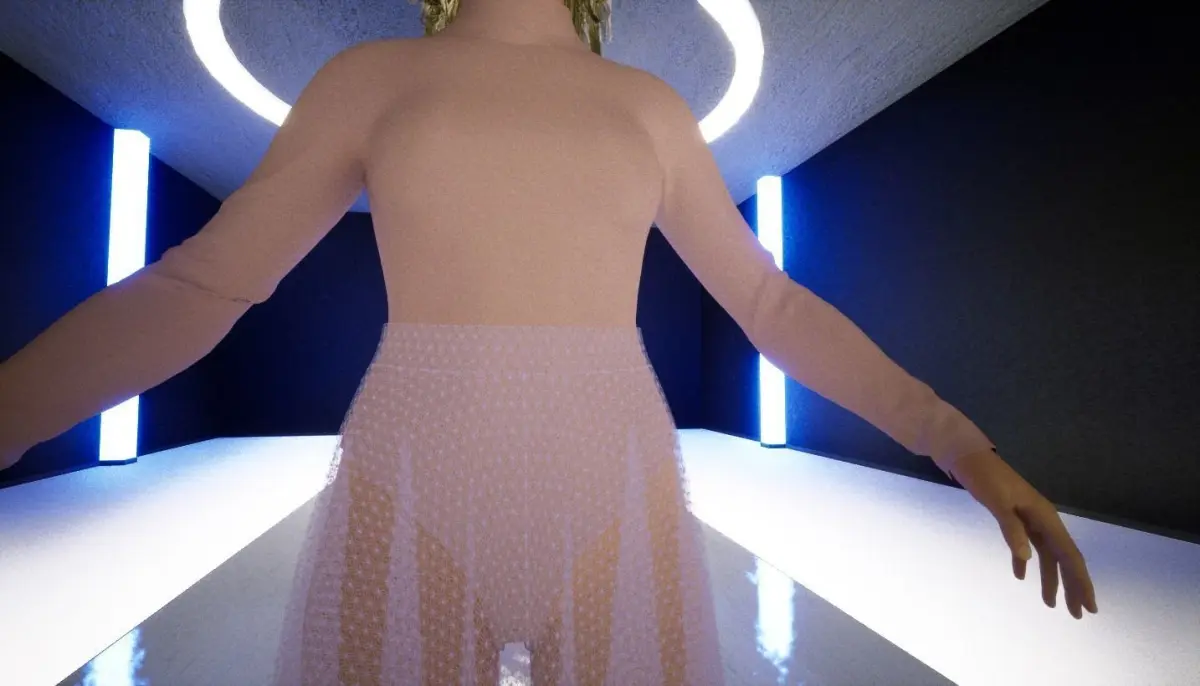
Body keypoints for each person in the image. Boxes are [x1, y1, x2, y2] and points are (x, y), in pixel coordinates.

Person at [0, 0, 1098, 683]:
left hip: (612, 497)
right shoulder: (371, 82)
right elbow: (201, 282)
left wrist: (956, 441)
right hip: (411, 487)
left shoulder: (650, 107)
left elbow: (770, 305)